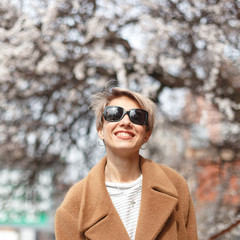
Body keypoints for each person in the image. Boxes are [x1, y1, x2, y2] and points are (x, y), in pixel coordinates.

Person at [55, 86, 198, 240]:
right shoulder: (75, 204)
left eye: (137, 116)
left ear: (147, 134)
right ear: (100, 130)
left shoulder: (174, 185)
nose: (125, 121)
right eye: (114, 114)